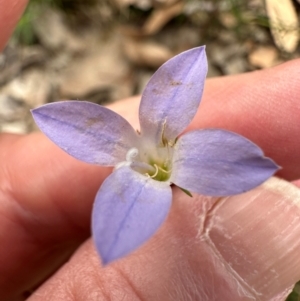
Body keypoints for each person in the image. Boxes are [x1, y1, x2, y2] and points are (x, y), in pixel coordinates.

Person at [1, 1, 300, 300]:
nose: (157, 168)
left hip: (181, 166)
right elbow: (61, 123)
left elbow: (193, 71)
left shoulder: (178, 141)